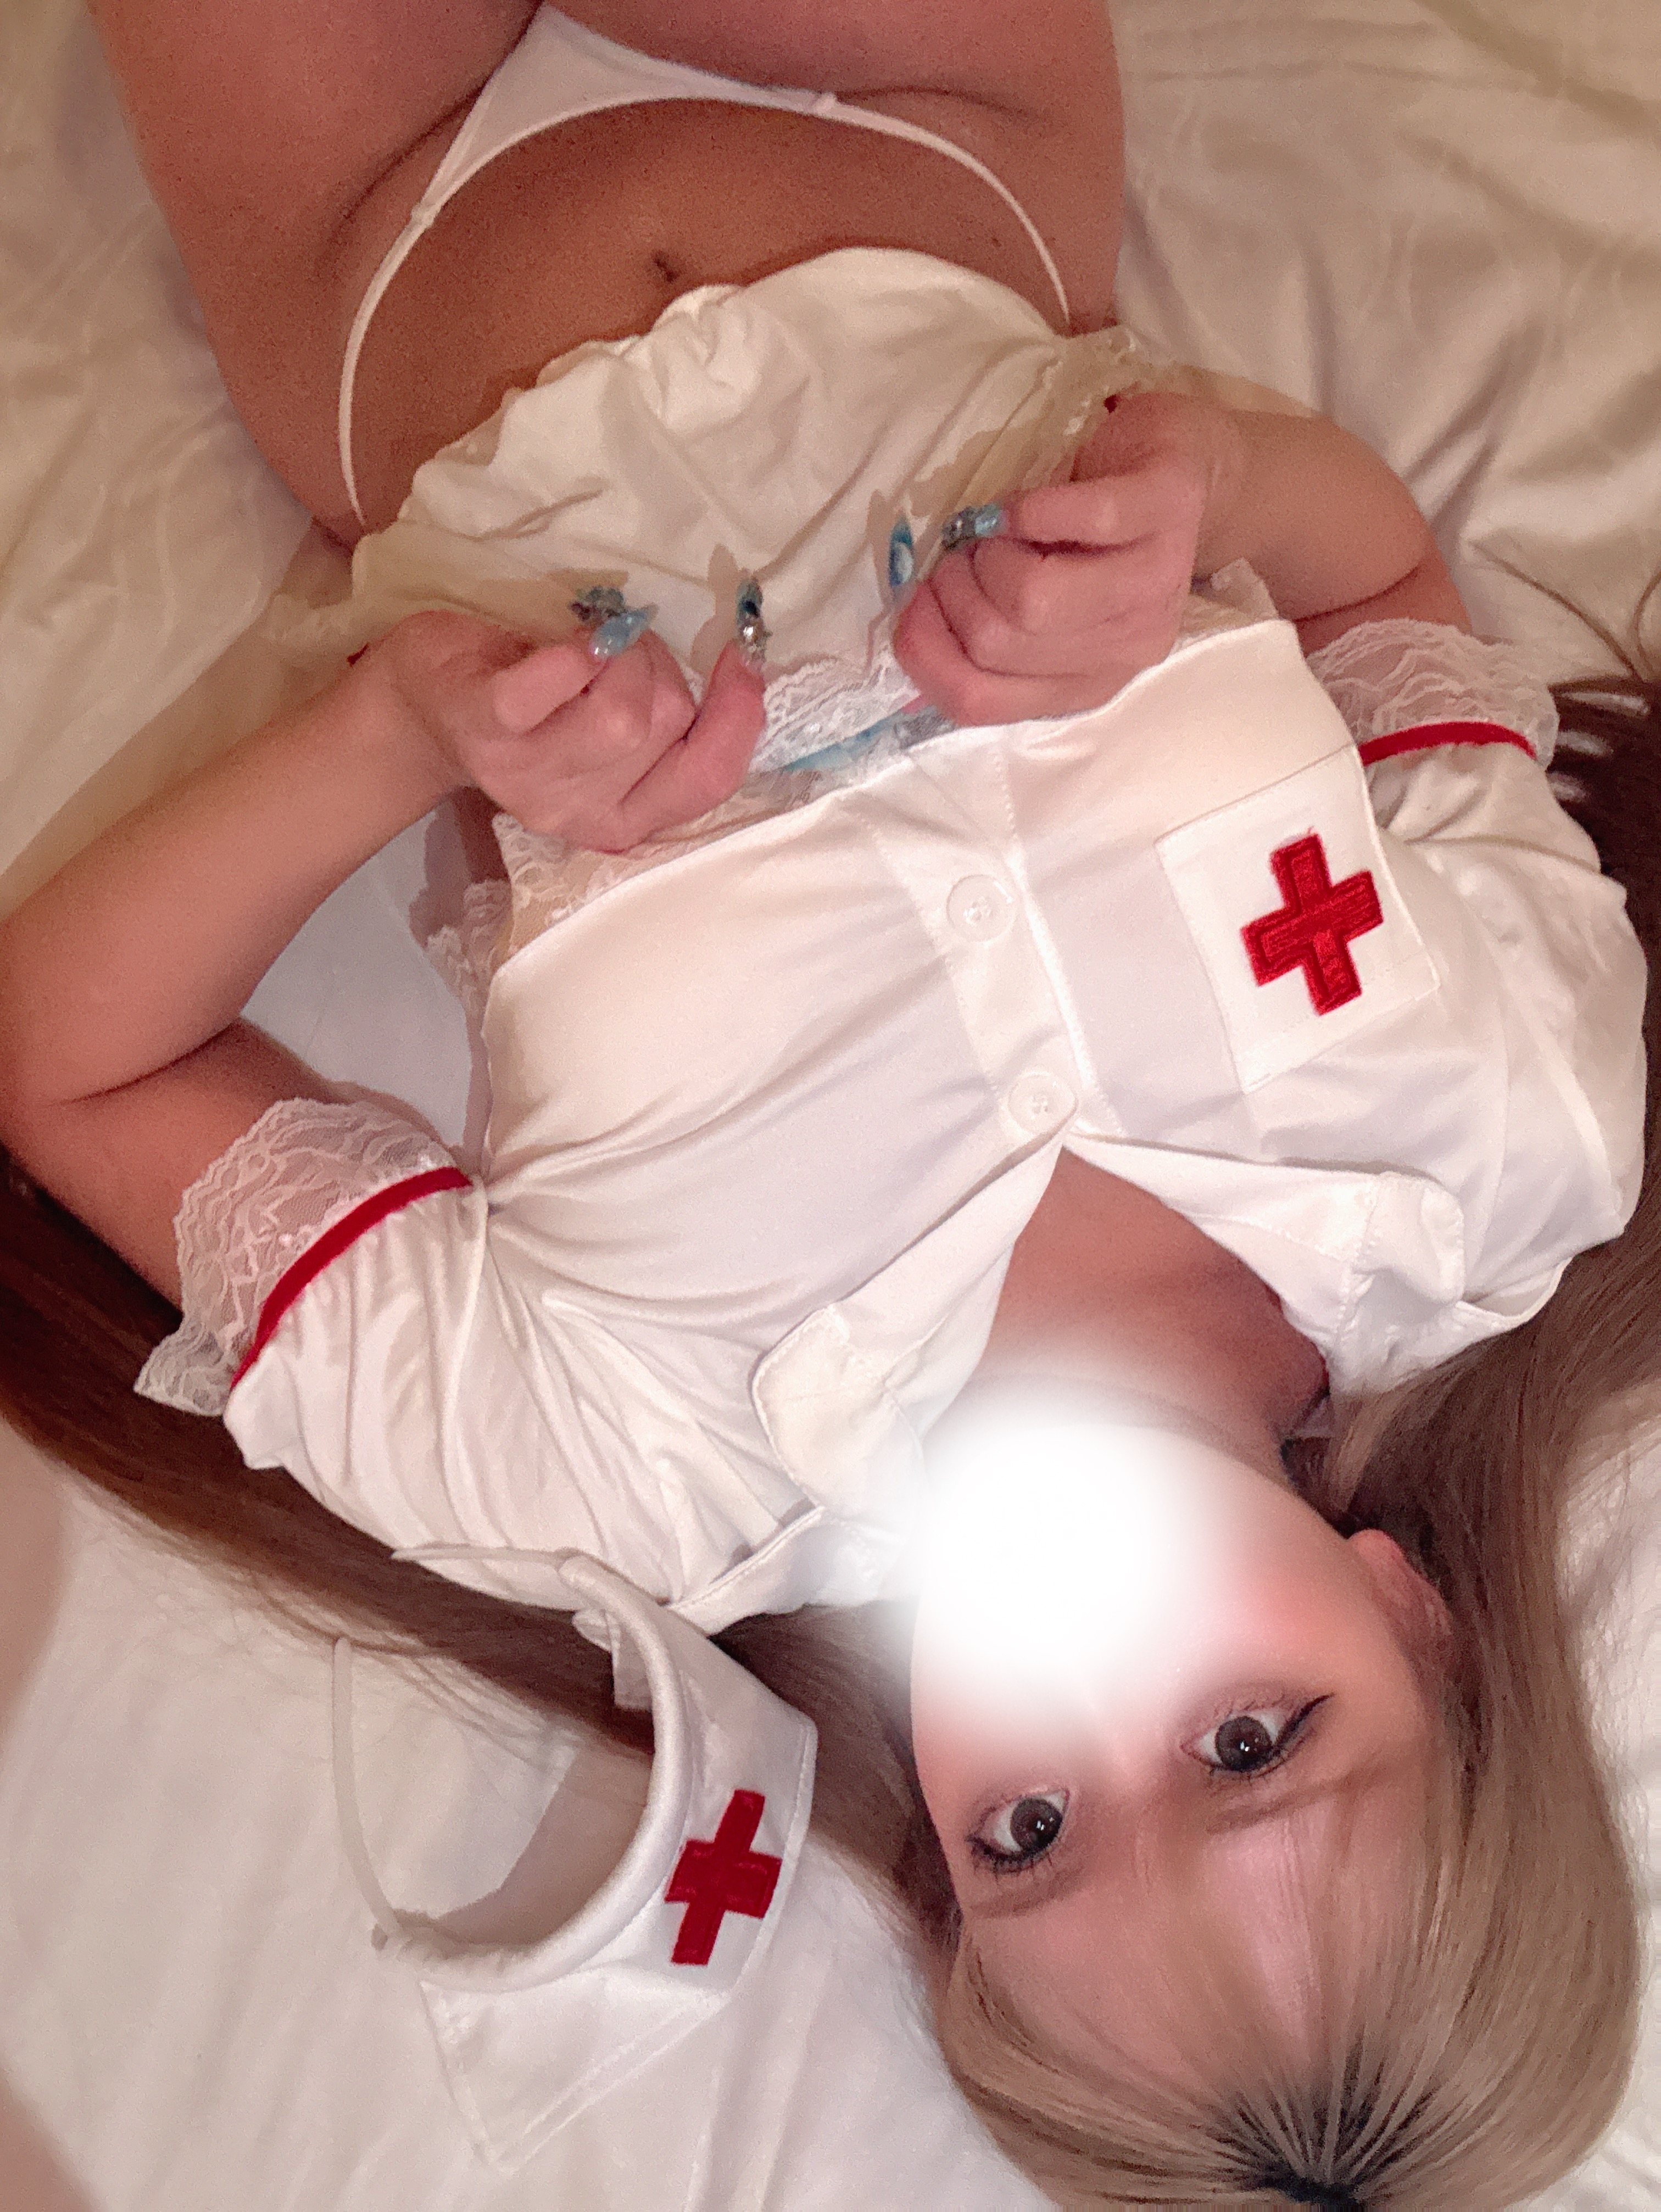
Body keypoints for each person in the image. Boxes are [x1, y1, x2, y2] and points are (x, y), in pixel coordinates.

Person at [0, 0, 1654, 2201]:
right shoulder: (1508, 1125)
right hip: (938, 130)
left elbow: (75, 1057)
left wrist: (394, 732)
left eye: (1031, 1825)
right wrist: (1220, 487)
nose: (1087, 1679)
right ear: (1420, 1624)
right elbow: (1379, 590)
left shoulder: (625, 1469)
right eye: (1250, 1738)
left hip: (395, 261)